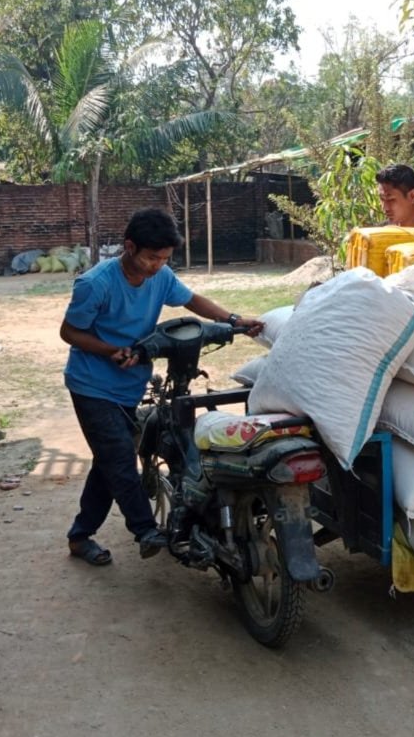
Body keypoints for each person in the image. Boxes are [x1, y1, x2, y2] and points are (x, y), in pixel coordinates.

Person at [60, 207, 263, 566]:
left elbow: (191, 299)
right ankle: (146, 530)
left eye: (165, 259)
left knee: (109, 461)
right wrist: (110, 351)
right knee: (121, 459)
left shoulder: (161, 276)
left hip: (129, 384)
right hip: (91, 384)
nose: (157, 265)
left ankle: (80, 536)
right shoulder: (96, 283)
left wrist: (232, 320)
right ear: (129, 247)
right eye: (152, 257)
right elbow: (70, 332)